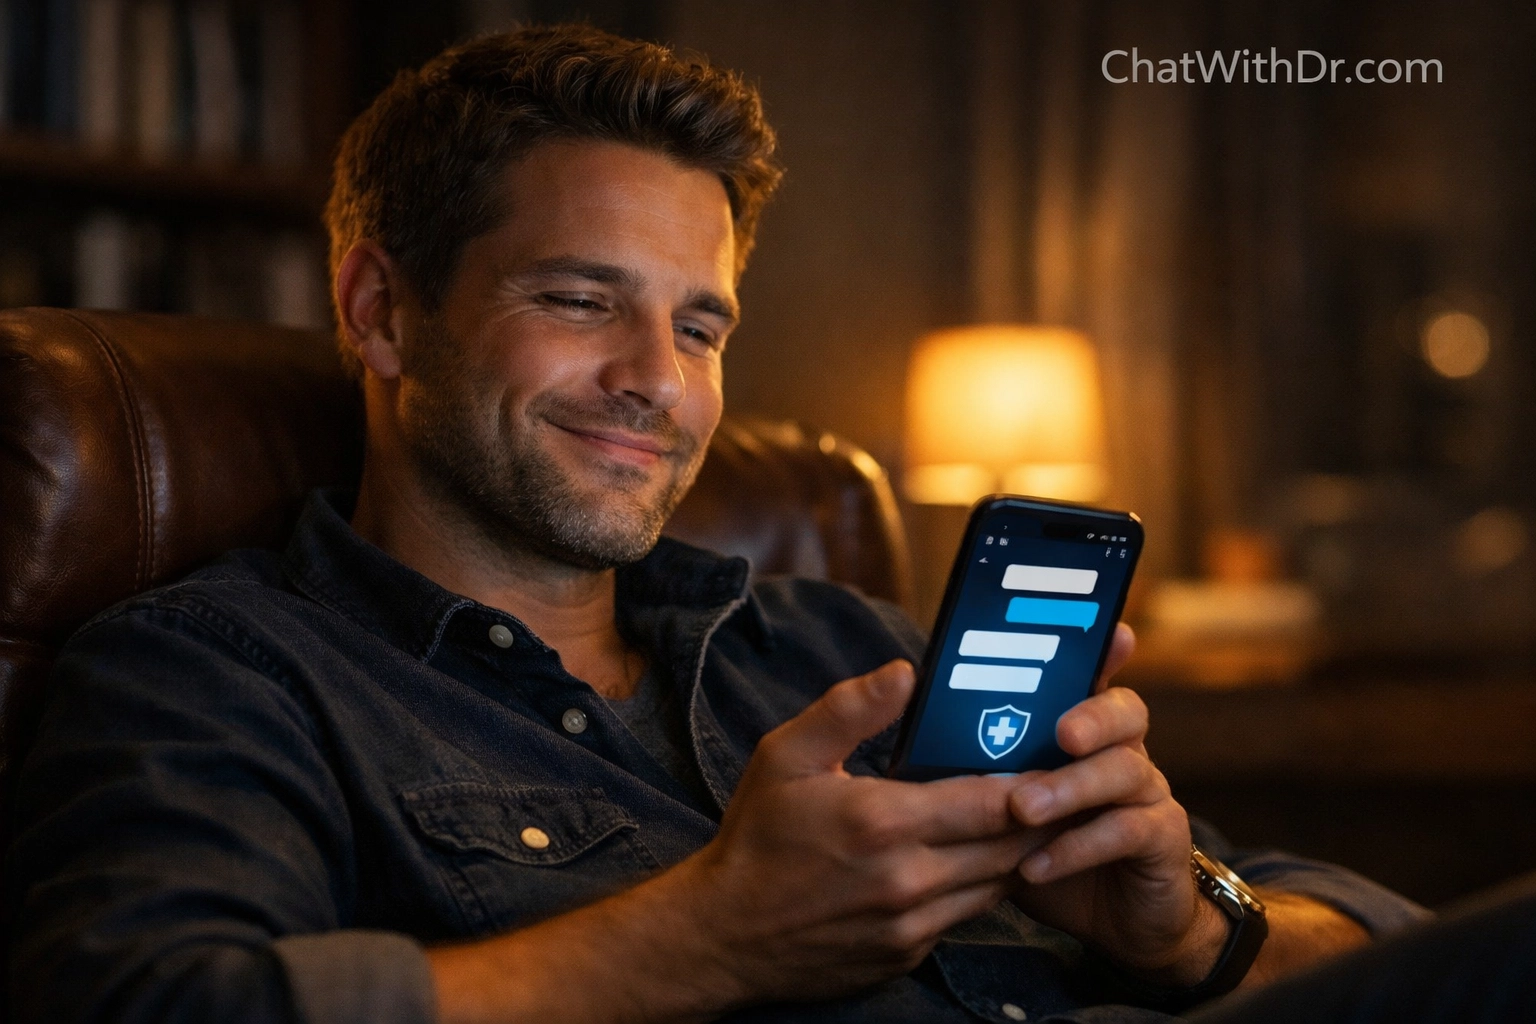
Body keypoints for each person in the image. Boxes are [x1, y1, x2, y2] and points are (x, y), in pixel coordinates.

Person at [6, 24, 1426, 1024]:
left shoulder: (830, 639)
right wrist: (706, 937)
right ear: (381, 312)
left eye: (701, 324)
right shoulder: (222, 672)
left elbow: (1370, 939)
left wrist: (1186, 934)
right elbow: (152, 1002)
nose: (656, 384)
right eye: (577, 300)